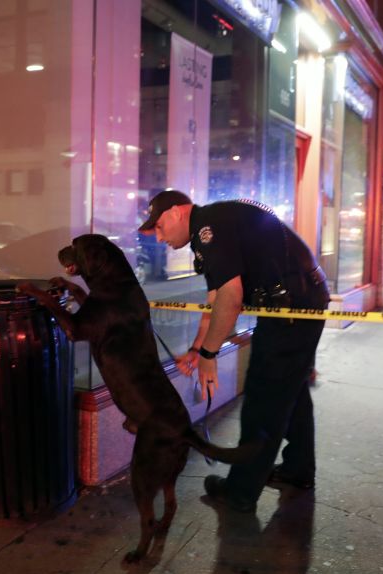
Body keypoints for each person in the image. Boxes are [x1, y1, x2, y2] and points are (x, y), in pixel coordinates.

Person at [139, 189, 330, 513]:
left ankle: (240, 492)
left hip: (291, 311)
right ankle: (298, 469)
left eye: (158, 227)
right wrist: (199, 348)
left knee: (262, 396)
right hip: (298, 303)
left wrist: (210, 357)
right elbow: (215, 297)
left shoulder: (208, 227)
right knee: (291, 389)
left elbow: (231, 297)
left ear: (176, 212)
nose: (159, 239)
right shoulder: (211, 225)